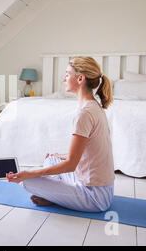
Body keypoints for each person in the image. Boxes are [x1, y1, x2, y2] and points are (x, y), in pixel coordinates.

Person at [6, 57, 115, 213]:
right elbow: (88, 153)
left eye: (67, 74)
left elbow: (71, 164)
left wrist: (29, 173)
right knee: (52, 158)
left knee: (28, 181)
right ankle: (55, 194)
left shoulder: (84, 113)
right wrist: (61, 156)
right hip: (98, 187)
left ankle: (52, 195)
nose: (63, 79)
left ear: (80, 78)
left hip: (95, 197)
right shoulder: (93, 106)